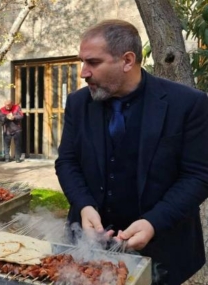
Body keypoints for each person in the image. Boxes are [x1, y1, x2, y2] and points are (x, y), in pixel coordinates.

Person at [55, 19, 208, 285]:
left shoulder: (188, 103)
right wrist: (84, 205)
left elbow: (198, 175)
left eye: (93, 63)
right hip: (87, 249)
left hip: (163, 249)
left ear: (127, 60)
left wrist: (153, 222)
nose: (83, 73)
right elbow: (67, 161)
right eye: (82, 62)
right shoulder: (78, 104)